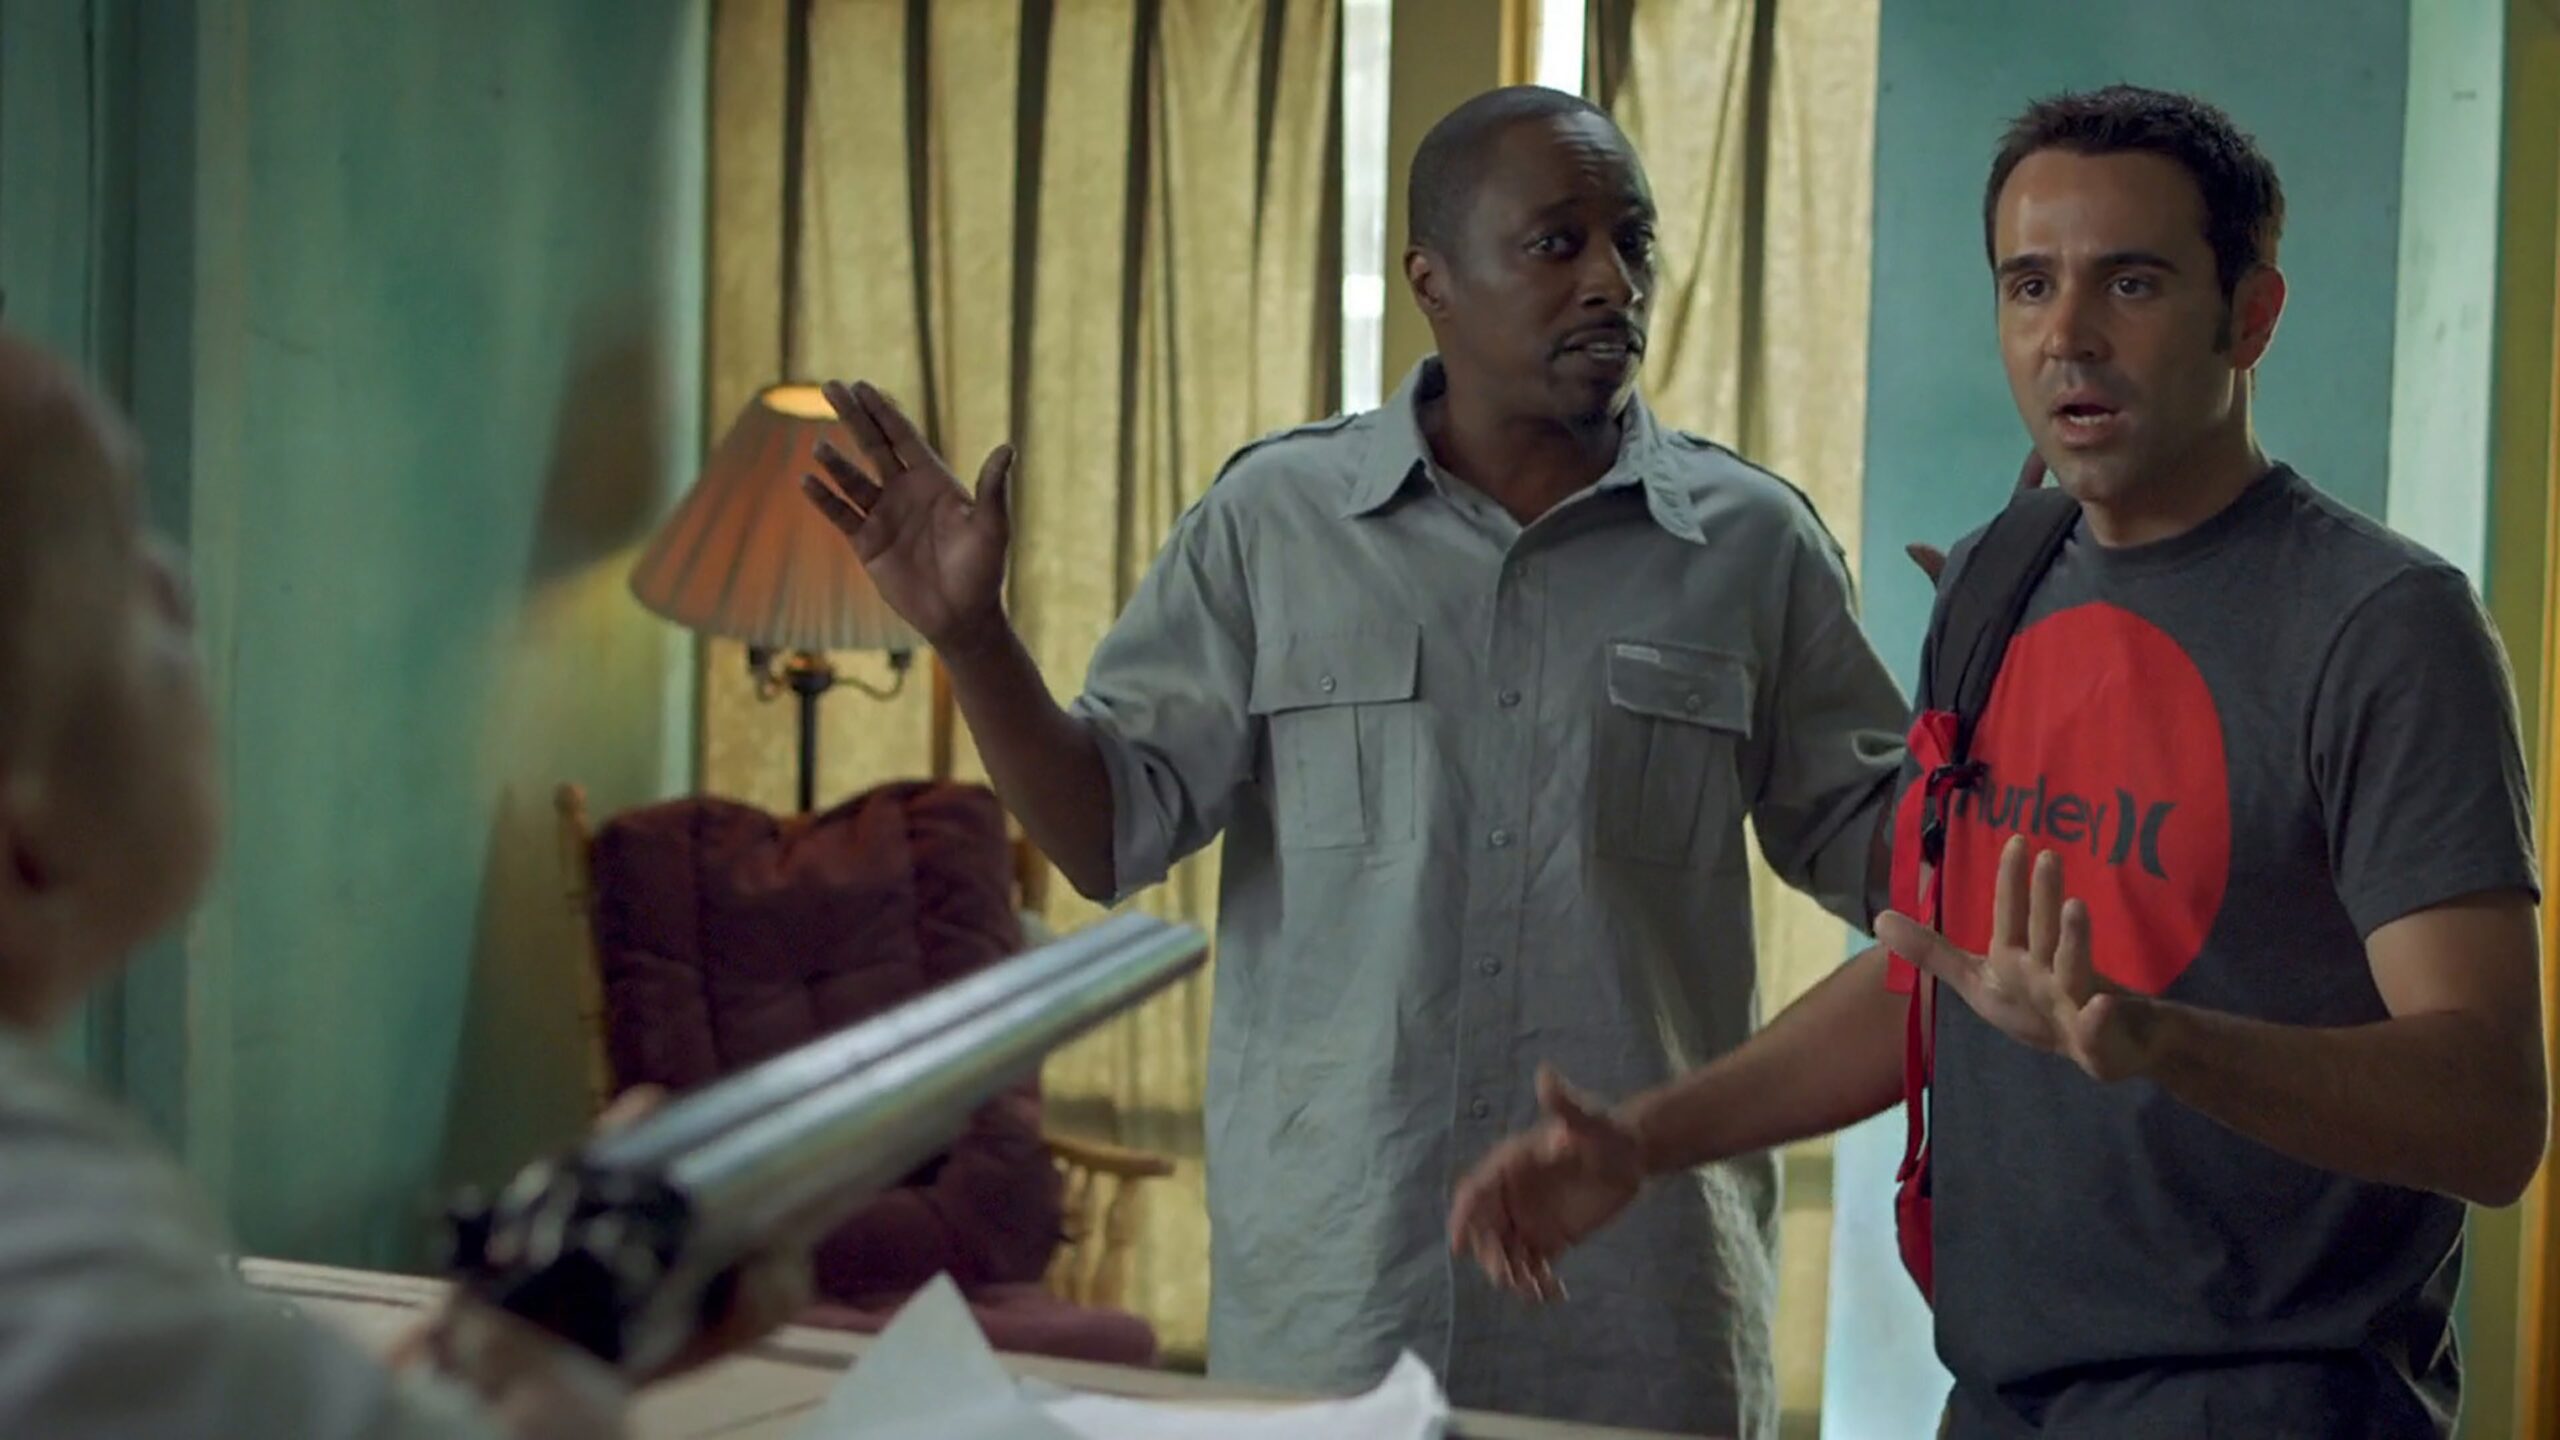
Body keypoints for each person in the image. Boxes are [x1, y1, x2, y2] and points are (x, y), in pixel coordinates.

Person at [801, 85, 1907, 1437]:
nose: (1613, 282)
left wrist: (2022, 680)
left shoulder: (1753, 548)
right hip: (1338, 1299)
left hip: (1643, 1308)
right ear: (1430, 280)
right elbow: (1105, 834)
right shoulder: (1273, 523)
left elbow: (1906, 867)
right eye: (1556, 243)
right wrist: (973, 640)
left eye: (1633, 241)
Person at [1447, 85, 2547, 1438]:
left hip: (2274, 1399)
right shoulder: (1996, 582)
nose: (2066, 335)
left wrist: (2158, 1041)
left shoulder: (2384, 627)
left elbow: (2489, 1115)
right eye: (2029, 284)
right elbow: (1938, 967)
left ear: (2251, 315)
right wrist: (1646, 1138)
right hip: (1998, 1396)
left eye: (2130, 283)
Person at [0, 327, 806, 1438]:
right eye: (120, 552)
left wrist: (531, 1329)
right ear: (23, 826)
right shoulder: (68, 1268)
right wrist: (574, 1360)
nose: (178, 586)